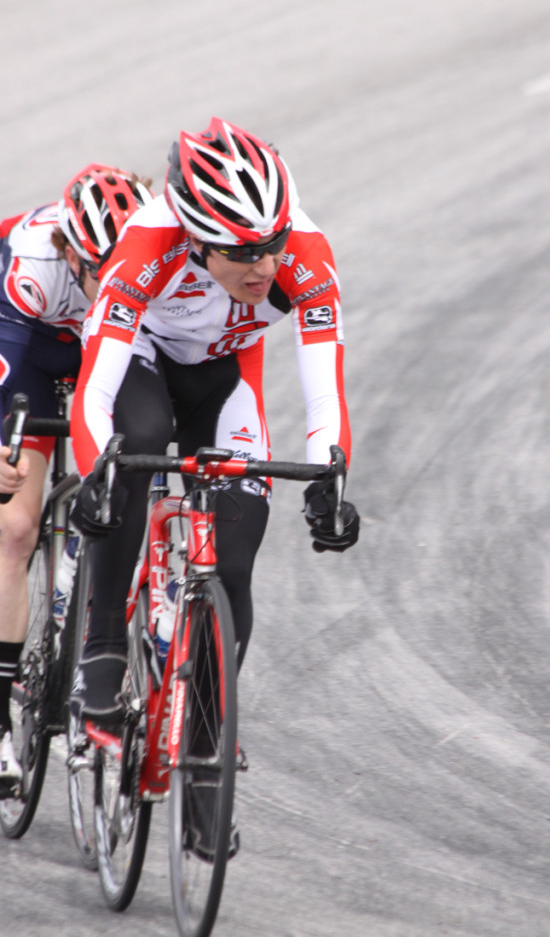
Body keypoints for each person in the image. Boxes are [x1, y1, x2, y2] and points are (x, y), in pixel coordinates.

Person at [69, 117, 360, 724]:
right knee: (136, 444)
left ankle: (203, 741)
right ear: (197, 241)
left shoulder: (306, 255)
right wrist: (96, 473)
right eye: (242, 252)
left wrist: (329, 482)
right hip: (143, 362)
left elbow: (325, 394)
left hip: (224, 375)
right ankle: (103, 644)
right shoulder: (149, 243)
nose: (265, 267)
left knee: (230, 562)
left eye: (273, 243)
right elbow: (96, 387)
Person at [0, 165, 154, 793]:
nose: (113, 282)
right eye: (100, 271)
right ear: (72, 255)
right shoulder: (33, 264)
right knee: (15, 526)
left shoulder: (155, 257)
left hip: (106, 344)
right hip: (30, 347)